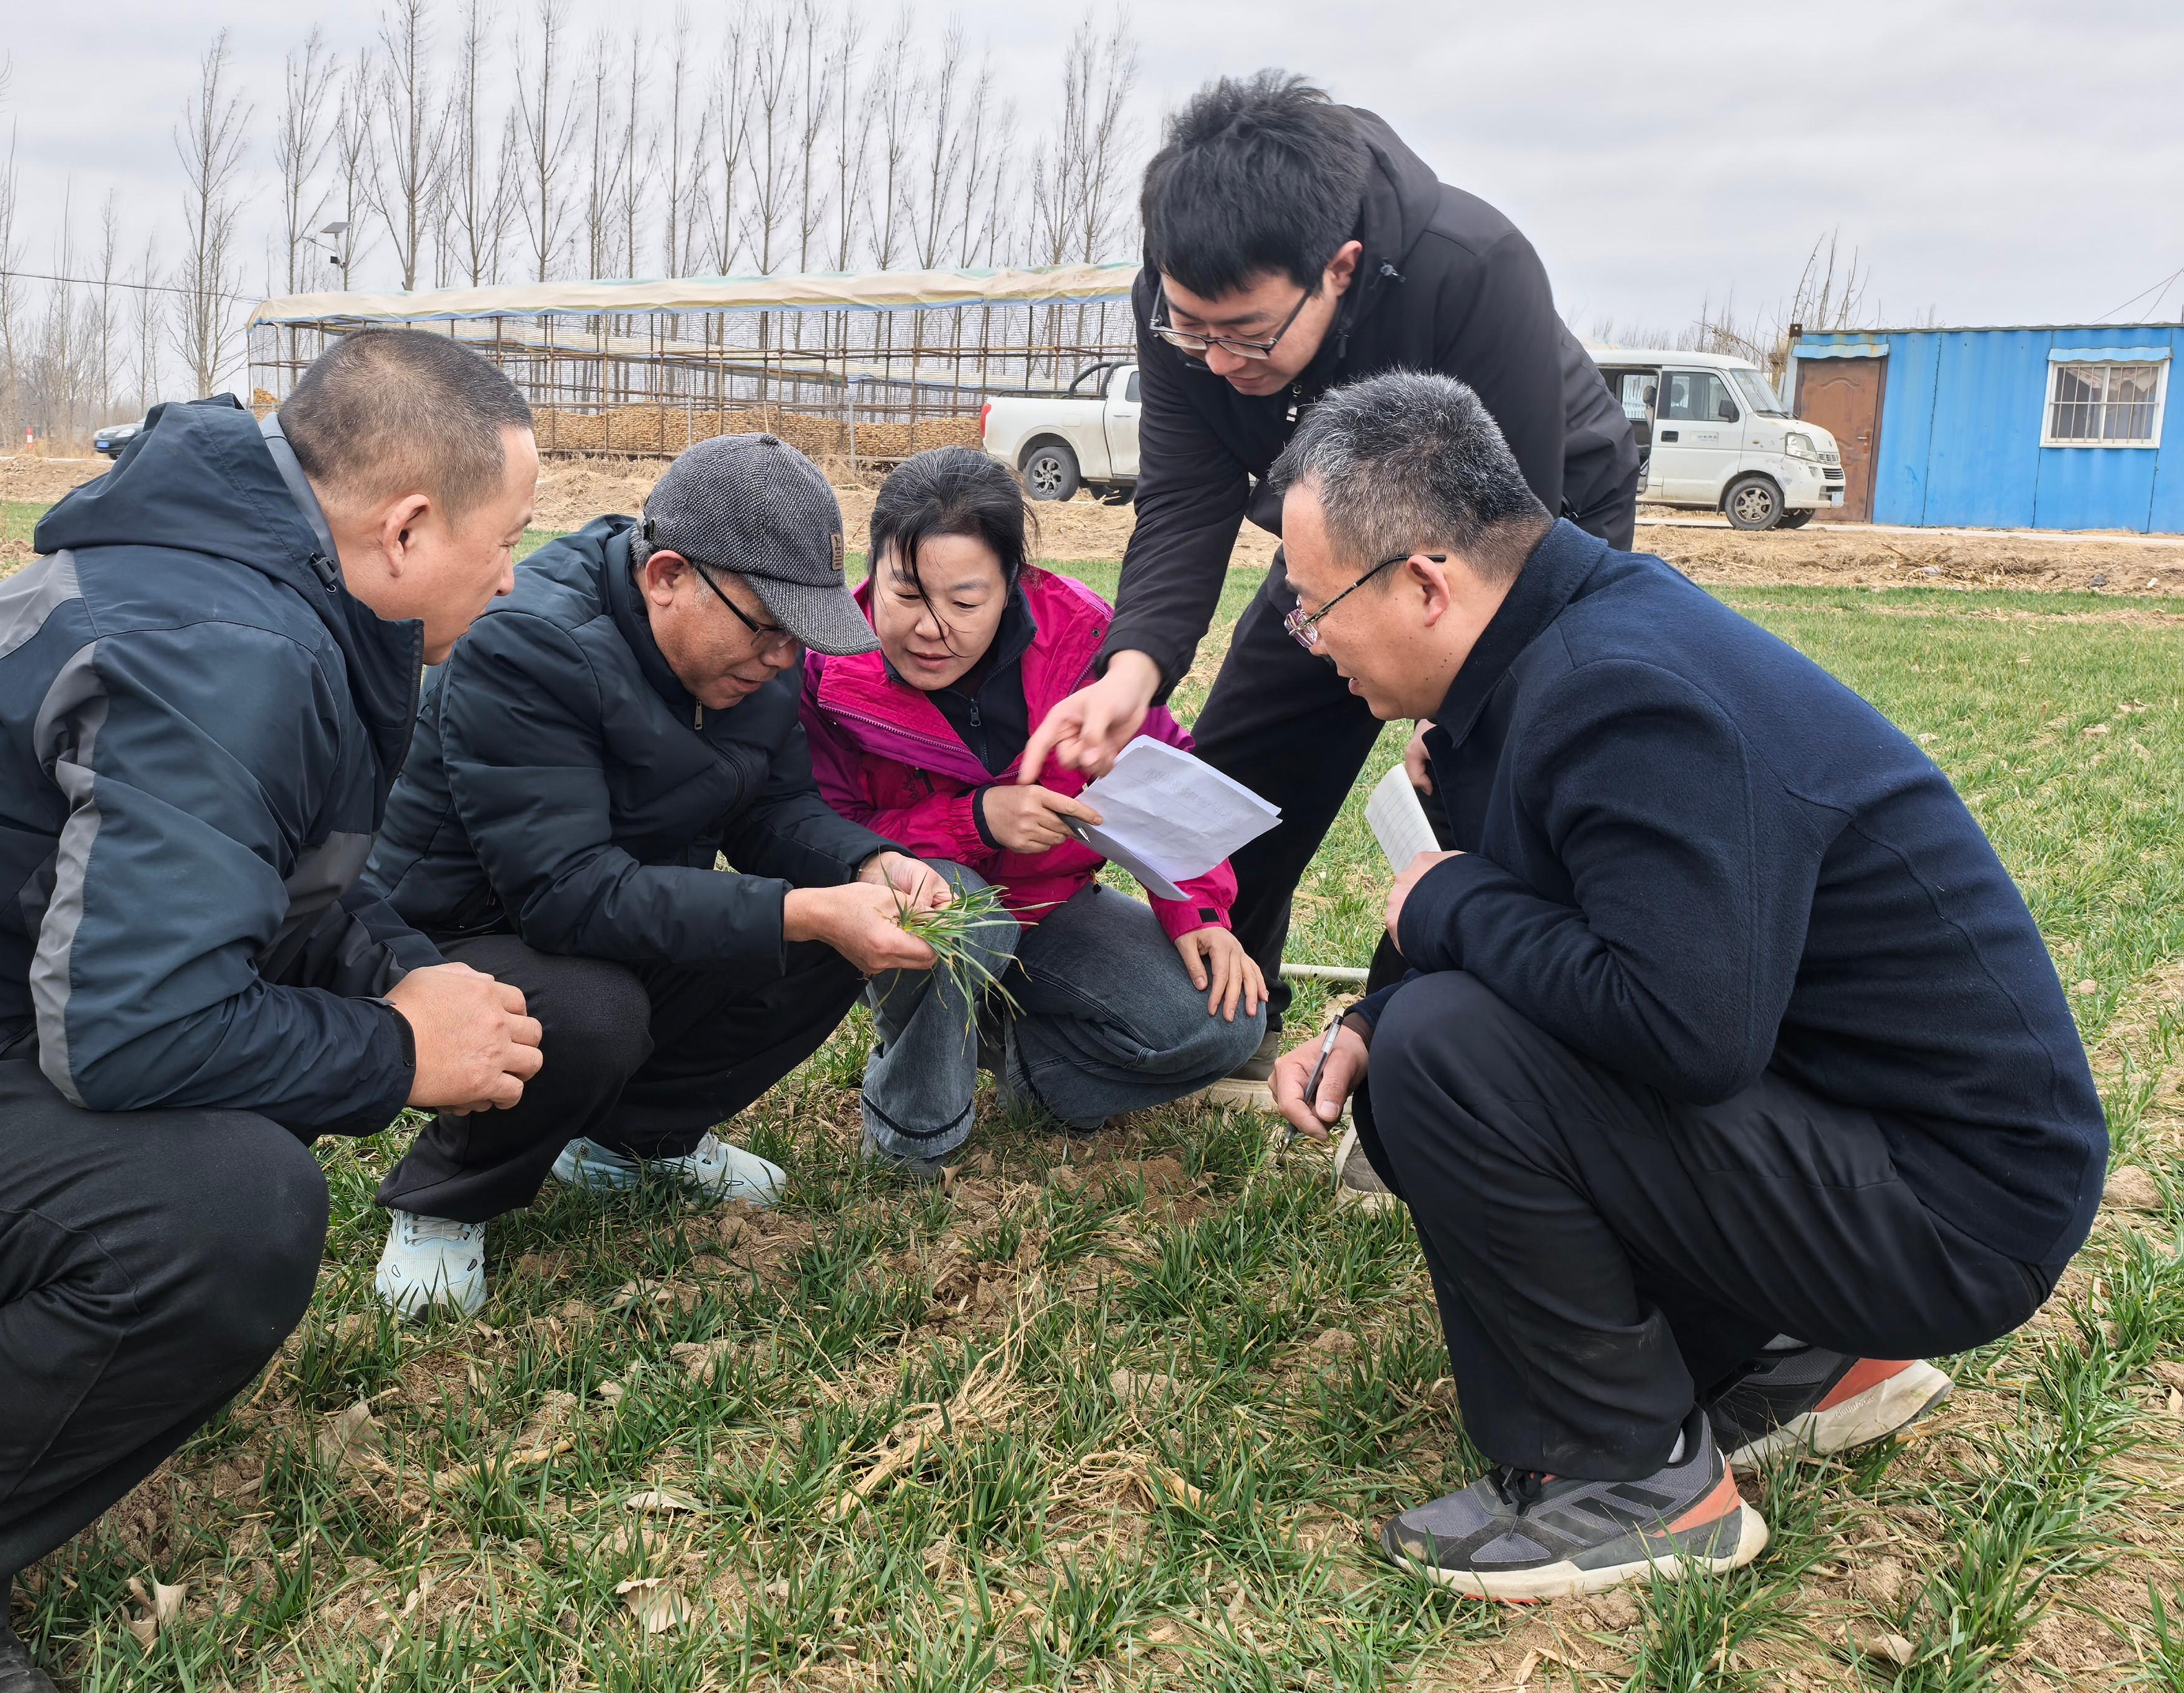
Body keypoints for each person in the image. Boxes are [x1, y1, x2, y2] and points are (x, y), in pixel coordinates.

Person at [0, 330, 547, 1690]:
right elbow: (133, 1029)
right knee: (228, 1205)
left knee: (209, 1161)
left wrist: (397, 972)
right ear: (407, 530)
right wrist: (399, 1049)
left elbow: (258, 887)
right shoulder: (223, 644)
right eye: (509, 536)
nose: (513, 574)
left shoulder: (233, 593)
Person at [1267, 371, 2105, 1600]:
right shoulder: (1548, 656)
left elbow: (1681, 1028)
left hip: (1956, 1213)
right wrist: (1367, 1017)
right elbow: (1585, 936)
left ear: (1424, 583)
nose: (1309, 642)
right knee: (1416, 1039)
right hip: (1872, 1138)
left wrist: (1438, 912)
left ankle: (1629, 1476)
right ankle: (1797, 1359)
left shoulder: (1619, 689)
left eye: (1308, 608)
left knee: (1448, 1049)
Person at [1017, 73, 1641, 1110]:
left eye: (1249, 335)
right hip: (1334, 525)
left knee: (1484, 787)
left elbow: (1509, 540)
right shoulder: (1184, 306)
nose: (1215, 361)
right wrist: (1132, 674)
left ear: (1339, 271)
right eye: (1191, 331)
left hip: (1533, 513)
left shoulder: (1471, 271)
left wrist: (1462, 705)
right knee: (1235, 768)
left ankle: (1420, 1072)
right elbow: (1183, 497)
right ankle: (1226, 1029)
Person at [362, 432, 952, 1316]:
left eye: (801, 634)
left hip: (617, 904)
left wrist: (863, 863)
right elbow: (567, 895)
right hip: (458, 927)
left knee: (841, 939)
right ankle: (445, 1198)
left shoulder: (758, 661)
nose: (784, 659)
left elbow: (770, 812)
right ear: (666, 573)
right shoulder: (531, 647)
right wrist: (804, 907)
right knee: (591, 1013)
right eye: (766, 626)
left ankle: (633, 1141)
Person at [801, 447, 1266, 1178]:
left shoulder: (1083, 638)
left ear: (1010, 583)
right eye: (907, 593)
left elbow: (1160, 776)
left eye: (964, 602)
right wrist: (977, 820)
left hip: (1054, 911)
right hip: (931, 906)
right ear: (872, 569)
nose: (931, 627)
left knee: (1224, 1024)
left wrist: (1200, 911)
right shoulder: (831, 671)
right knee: (963, 912)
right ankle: (912, 1141)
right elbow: (823, 830)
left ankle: (1023, 1063)